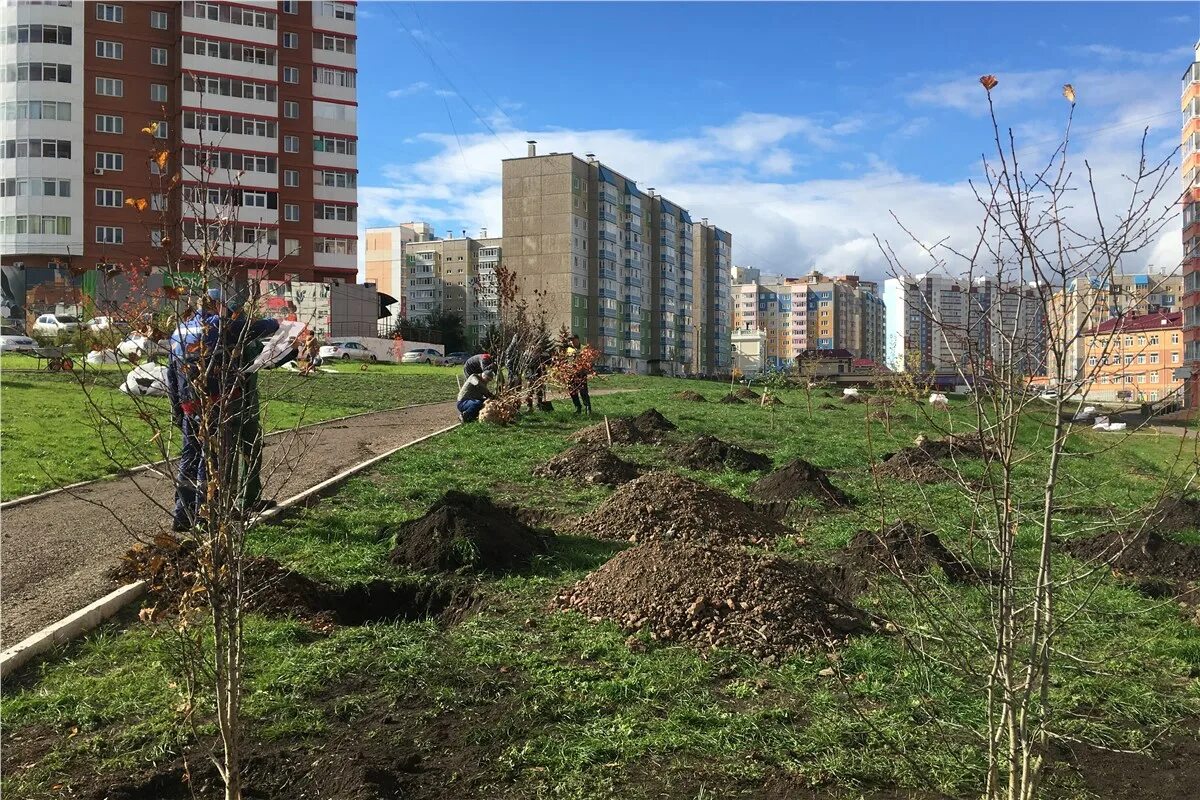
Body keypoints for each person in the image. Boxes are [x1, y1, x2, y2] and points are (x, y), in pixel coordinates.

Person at [166, 288, 279, 532]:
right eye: (228, 308)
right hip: (218, 402)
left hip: (189, 404)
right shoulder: (222, 326)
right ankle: (208, 516)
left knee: (190, 457)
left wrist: (177, 410)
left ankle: (183, 515)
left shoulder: (179, 331)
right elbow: (264, 326)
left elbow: (171, 376)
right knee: (215, 460)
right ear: (217, 306)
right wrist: (280, 321)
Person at [565, 334, 592, 415]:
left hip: (581, 374)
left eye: (573, 340)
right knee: (572, 391)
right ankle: (577, 407)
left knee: (583, 391)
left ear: (577, 339)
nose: (571, 342)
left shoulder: (584, 348)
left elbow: (589, 361)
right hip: (571, 374)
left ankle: (588, 408)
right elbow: (566, 361)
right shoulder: (569, 349)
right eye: (570, 340)